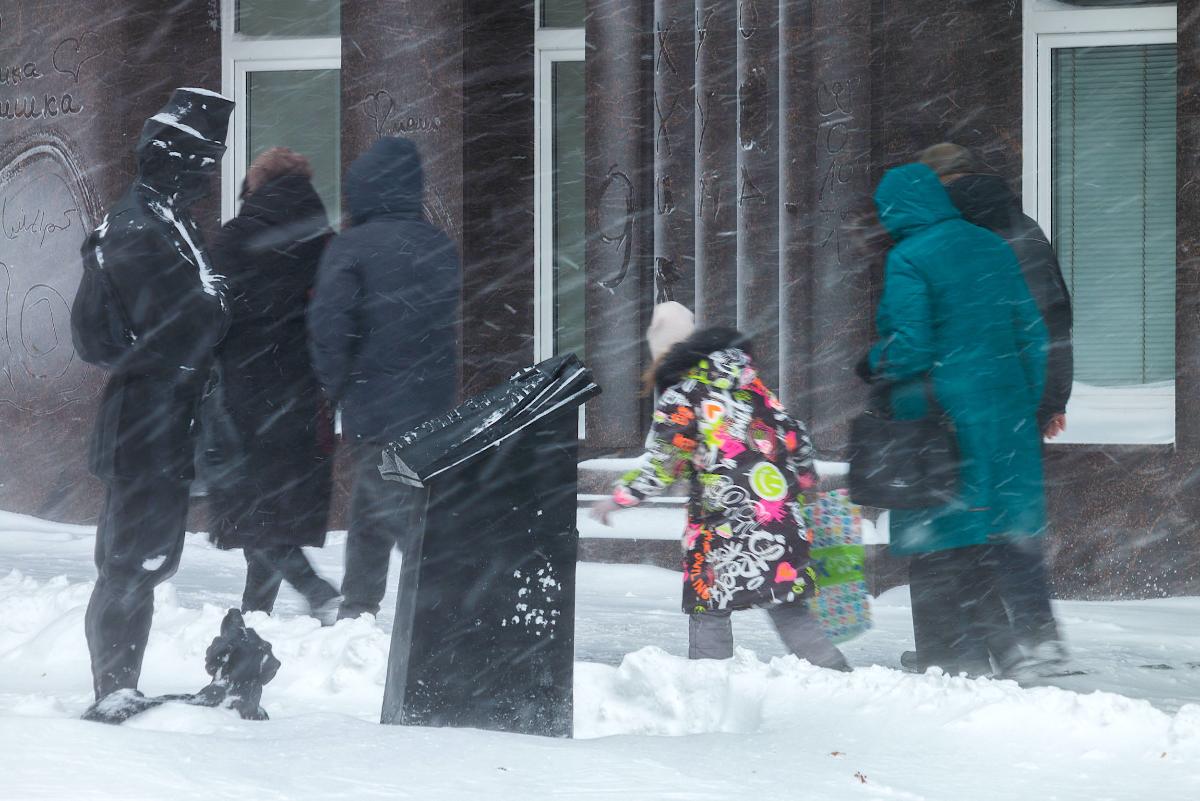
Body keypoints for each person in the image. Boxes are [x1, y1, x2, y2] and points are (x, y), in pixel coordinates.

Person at [70, 88, 234, 705]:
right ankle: (114, 689)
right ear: (169, 155)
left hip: (158, 418)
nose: (211, 171)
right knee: (130, 564)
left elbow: (194, 311)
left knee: (143, 562)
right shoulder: (141, 227)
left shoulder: (159, 219)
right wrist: (211, 304)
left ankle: (120, 685)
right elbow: (205, 316)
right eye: (204, 158)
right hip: (149, 421)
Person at [860, 162, 1048, 677]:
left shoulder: (910, 257)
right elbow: (1032, 334)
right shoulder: (992, 247)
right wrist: (1022, 403)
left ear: (897, 209)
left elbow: (912, 346)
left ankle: (951, 656)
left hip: (937, 422)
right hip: (1001, 422)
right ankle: (1003, 650)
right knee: (974, 540)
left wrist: (875, 363)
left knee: (935, 542)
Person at [592, 303, 849, 670]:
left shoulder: (684, 395)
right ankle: (836, 674)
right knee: (788, 607)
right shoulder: (758, 392)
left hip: (722, 524)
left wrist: (621, 498)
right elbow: (798, 436)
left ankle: (709, 684)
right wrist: (806, 478)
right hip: (780, 520)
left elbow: (665, 462)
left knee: (710, 605)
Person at [919, 143, 1073, 670]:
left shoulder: (947, 237)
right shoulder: (1024, 229)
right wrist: (1052, 398)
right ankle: (1037, 634)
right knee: (1014, 520)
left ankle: (977, 649)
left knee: (962, 525)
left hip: (963, 405)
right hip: (1018, 399)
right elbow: (1054, 322)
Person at [307, 137, 461, 621]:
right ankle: (358, 605)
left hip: (374, 399)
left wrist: (331, 389)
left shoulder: (351, 246)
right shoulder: (439, 245)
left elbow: (330, 327)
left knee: (392, 507)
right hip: (431, 398)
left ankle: (435, 605)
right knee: (377, 506)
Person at [206, 147, 340, 624]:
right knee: (272, 502)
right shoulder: (325, 241)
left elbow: (210, 312)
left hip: (243, 388)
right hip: (303, 391)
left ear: (255, 185)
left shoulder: (237, 236)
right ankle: (256, 613)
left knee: (251, 503)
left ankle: (315, 589)